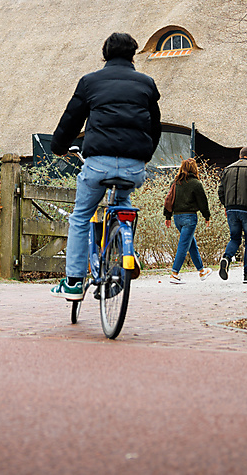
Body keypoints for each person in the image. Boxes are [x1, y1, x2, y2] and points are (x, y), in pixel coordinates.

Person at [48, 32, 161, 300]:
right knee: (122, 205)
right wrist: (145, 156)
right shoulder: (147, 84)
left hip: (99, 164)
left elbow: (71, 119)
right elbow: (154, 127)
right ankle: (124, 252)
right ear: (133, 55)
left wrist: (58, 147)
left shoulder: (90, 82)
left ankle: (74, 282)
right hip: (134, 167)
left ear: (105, 54)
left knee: (80, 216)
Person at [217, 146, 247, 283]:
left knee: (234, 238)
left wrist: (226, 205)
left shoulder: (227, 169)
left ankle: (226, 258)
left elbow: (221, 190)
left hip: (231, 209)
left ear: (240, 156)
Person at [163, 158, 212, 283]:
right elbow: (203, 202)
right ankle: (174, 274)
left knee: (191, 244)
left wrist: (168, 217)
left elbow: (169, 199)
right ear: (194, 168)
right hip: (189, 218)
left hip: (177, 218)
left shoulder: (175, 182)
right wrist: (206, 216)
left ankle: (202, 271)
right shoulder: (196, 183)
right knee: (184, 245)